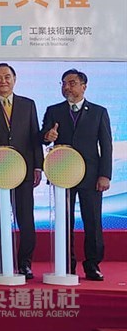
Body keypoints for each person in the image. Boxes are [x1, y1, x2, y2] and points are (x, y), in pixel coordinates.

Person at [42, 68, 112, 281]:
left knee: (92, 221)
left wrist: (105, 175)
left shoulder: (99, 112)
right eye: (63, 83)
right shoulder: (53, 110)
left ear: (84, 86)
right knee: (65, 221)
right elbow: (42, 139)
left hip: (91, 176)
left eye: (72, 83)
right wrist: (48, 135)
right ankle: (66, 264)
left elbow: (106, 145)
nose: (67, 87)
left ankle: (92, 265)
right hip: (62, 174)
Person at [0, 62, 42, 279]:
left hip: (23, 169)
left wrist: (37, 166)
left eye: (7, 77)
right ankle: (1, 262)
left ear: (14, 79)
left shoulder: (28, 104)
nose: (3, 81)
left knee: (25, 217)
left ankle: (25, 263)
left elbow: (34, 138)